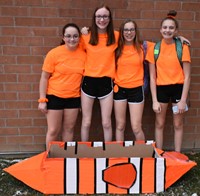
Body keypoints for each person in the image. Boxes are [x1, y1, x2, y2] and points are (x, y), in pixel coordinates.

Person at [146, 10, 191, 152]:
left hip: (178, 88)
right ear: (160, 29)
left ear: (176, 30)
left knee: (178, 123)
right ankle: (159, 153)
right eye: (165, 27)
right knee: (159, 123)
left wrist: (183, 99)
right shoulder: (155, 48)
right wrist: (154, 100)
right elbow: (152, 77)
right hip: (161, 89)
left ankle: (177, 154)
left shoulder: (182, 47)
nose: (167, 30)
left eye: (171, 28)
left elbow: (188, 76)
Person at [38, 23, 86, 149]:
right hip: (54, 96)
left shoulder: (83, 55)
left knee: (69, 130)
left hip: (73, 98)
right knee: (53, 130)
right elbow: (44, 78)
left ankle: (66, 158)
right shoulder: (54, 54)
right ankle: (49, 156)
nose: (72, 39)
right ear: (63, 37)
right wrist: (42, 100)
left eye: (75, 36)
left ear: (79, 38)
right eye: (68, 36)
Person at [81, 5, 119, 142]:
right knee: (86, 122)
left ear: (109, 18)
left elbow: (139, 43)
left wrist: (176, 38)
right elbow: (68, 45)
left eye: (105, 16)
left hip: (106, 82)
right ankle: (84, 153)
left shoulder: (116, 36)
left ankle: (107, 152)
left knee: (106, 123)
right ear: (94, 18)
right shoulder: (85, 36)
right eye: (99, 16)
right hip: (88, 82)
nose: (102, 19)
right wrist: (81, 32)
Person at [114, 19, 147, 141]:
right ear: (122, 32)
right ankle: (119, 156)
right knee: (120, 126)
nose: (129, 32)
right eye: (126, 30)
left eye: (132, 29)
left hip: (136, 89)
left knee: (136, 127)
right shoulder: (116, 48)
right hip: (119, 89)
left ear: (135, 31)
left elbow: (165, 43)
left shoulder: (143, 47)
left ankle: (143, 156)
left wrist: (178, 38)